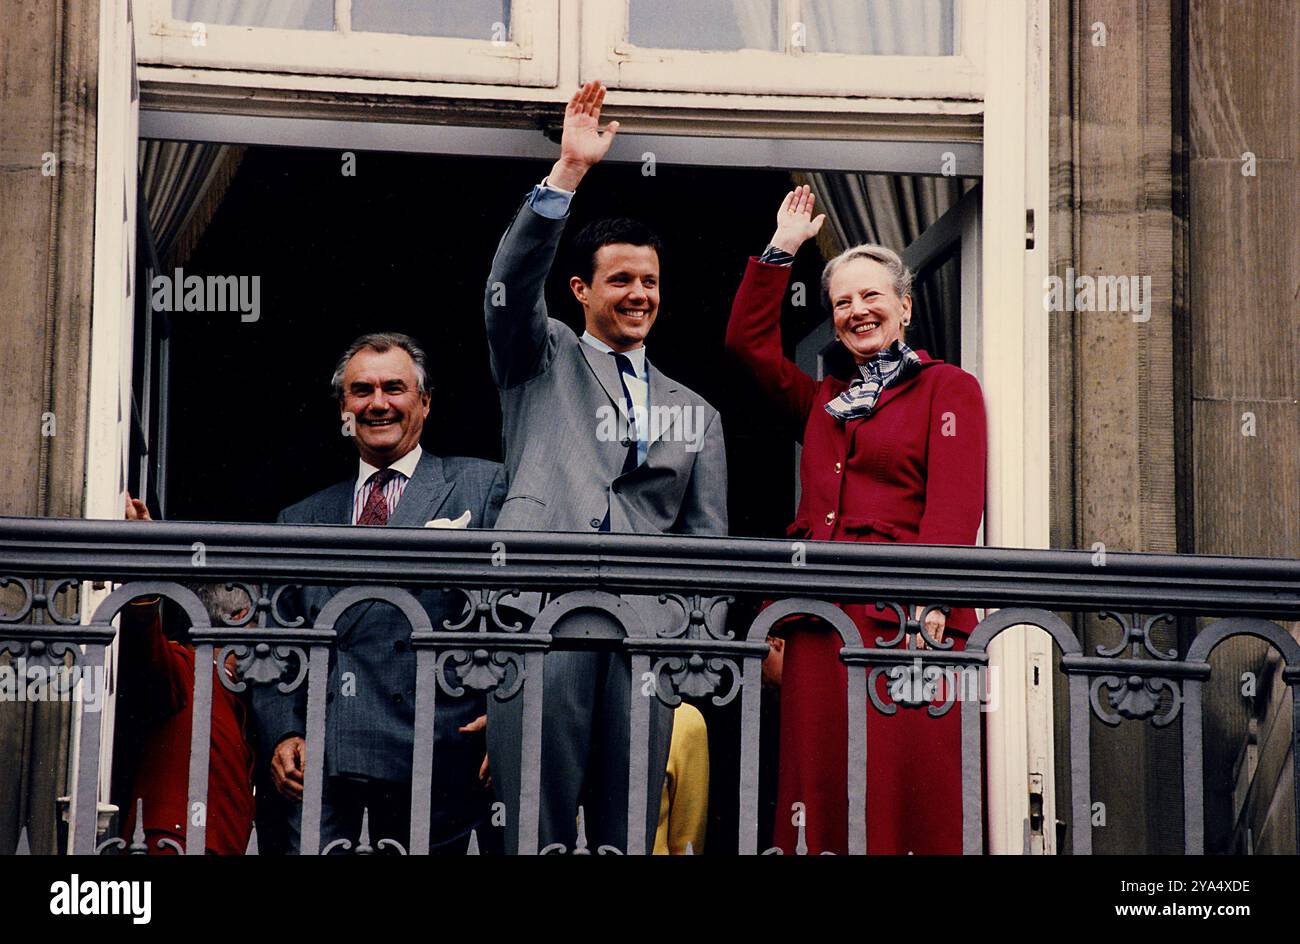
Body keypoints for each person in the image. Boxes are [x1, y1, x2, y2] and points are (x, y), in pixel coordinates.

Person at [482, 80, 728, 853]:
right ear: (581, 288)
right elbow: (509, 287)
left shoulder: (699, 412)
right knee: (534, 826)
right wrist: (567, 176)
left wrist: (691, 658)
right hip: (540, 622)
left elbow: (709, 549)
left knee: (634, 830)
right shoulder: (538, 355)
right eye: (621, 279)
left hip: (644, 641)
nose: (639, 294)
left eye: (650, 282)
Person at [724, 186, 987, 854]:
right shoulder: (823, 400)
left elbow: (955, 507)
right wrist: (781, 249)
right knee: (821, 799)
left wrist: (934, 603)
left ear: (904, 305)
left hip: (909, 623)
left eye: (872, 297)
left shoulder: (946, 389)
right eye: (842, 301)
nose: (857, 311)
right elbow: (747, 346)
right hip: (818, 626)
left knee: (909, 799)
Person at [251, 332, 507, 854]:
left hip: (443, 754)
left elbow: (521, 615)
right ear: (343, 408)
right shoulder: (300, 519)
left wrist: (509, 712)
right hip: (326, 761)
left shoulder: (482, 487)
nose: (378, 403)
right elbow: (273, 647)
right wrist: (281, 733)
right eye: (361, 390)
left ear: (425, 401)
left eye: (395, 388)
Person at [112, 495, 255, 855]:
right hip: (171, 845)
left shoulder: (245, 698)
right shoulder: (184, 666)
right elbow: (145, 641)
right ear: (239, 618)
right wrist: (144, 559)